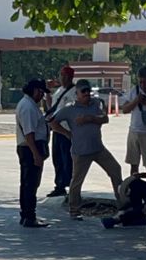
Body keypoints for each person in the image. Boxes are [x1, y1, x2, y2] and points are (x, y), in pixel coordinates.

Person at [48, 80, 124, 221]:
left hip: (98, 148)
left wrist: (91, 118)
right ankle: (74, 209)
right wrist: (66, 133)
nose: (86, 94)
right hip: (80, 152)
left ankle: (123, 205)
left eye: (88, 91)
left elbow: (105, 118)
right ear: (76, 94)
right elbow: (52, 121)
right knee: (77, 180)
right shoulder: (69, 109)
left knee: (115, 169)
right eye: (83, 92)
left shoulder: (95, 104)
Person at [16, 77, 51, 228]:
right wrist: (36, 154)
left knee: (27, 183)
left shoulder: (28, 104)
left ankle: (26, 215)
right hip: (31, 149)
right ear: (35, 91)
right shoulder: (28, 107)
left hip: (30, 148)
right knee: (31, 184)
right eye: (41, 92)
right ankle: (30, 216)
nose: (42, 96)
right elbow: (29, 134)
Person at [43, 65, 79, 199]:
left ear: (70, 77)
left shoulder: (74, 92)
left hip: (67, 129)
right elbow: (52, 106)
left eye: (64, 76)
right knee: (57, 158)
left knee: (67, 159)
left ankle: (71, 186)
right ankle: (59, 185)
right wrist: (47, 93)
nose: (61, 78)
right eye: (61, 75)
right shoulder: (59, 90)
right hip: (57, 129)